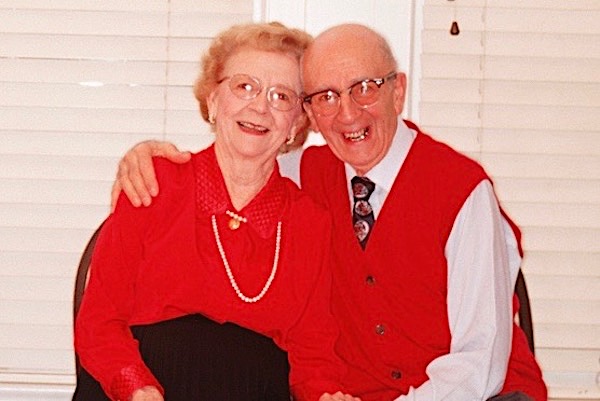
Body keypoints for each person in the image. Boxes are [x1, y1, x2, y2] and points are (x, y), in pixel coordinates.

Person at [109, 23, 548, 401]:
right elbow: (239, 158)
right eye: (326, 97)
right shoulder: (304, 174)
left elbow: (480, 361)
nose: (347, 113)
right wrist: (144, 160)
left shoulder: (463, 191)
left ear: (398, 91)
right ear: (309, 116)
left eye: (364, 88)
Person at [73, 22, 362, 401]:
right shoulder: (154, 183)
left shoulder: (308, 221)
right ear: (212, 100)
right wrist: (136, 388)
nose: (260, 106)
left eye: (281, 96)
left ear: (296, 124)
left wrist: (326, 396)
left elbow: (314, 353)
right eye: (244, 86)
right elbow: (98, 322)